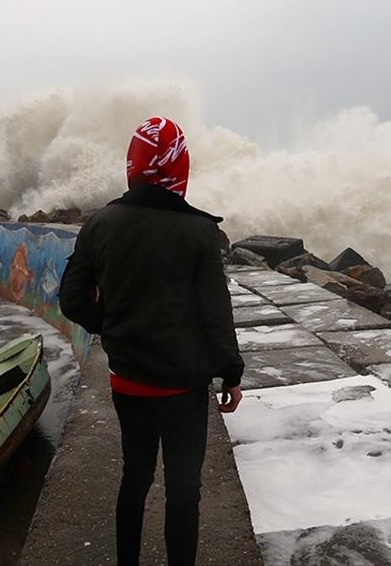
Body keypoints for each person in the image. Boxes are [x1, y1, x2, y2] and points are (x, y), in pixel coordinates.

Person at [59, 116, 244, 566]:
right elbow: (215, 314)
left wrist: (113, 325)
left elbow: (70, 300)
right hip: (182, 386)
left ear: (134, 163)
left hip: (128, 381)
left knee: (134, 477)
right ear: (179, 165)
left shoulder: (100, 224)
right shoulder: (198, 231)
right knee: (184, 490)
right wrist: (231, 372)